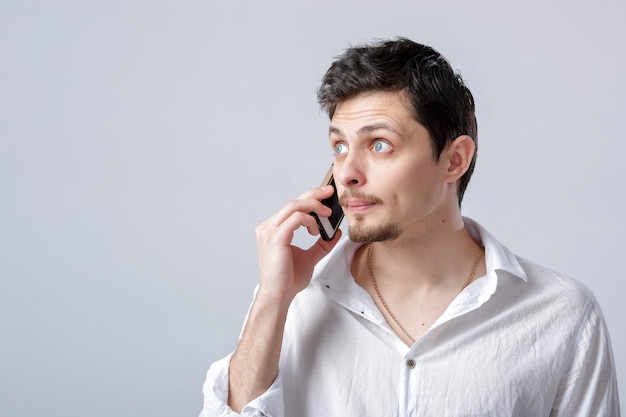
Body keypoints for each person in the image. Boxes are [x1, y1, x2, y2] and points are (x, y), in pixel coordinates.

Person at [199, 38, 620, 416]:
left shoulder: (561, 314)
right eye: (340, 146)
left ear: (454, 160)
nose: (347, 173)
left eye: (379, 144)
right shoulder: (292, 301)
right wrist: (273, 299)